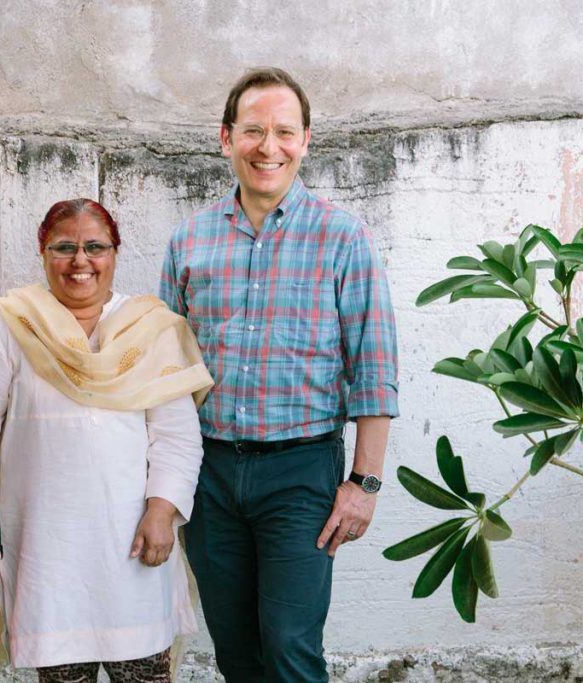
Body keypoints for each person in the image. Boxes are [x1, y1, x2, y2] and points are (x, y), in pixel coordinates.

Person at [159, 68, 399, 682]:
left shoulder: (344, 238)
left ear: (306, 141)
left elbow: (373, 366)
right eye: (254, 130)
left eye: (284, 132)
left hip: (301, 475)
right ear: (225, 138)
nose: (269, 147)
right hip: (209, 475)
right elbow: (165, 372)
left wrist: (364, 484)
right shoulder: (189, 242)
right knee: (235, 652)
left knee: (291, 647)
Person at [0, 199, 213, 683]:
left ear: (114, 254)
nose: (80, 260)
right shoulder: (10, 325)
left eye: (94, 247)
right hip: (46, 548)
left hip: (134, 542)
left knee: (144, 673)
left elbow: (177, 438)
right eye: (64, 247)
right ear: (43, 254)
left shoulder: (150, 328)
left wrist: (162, 511)